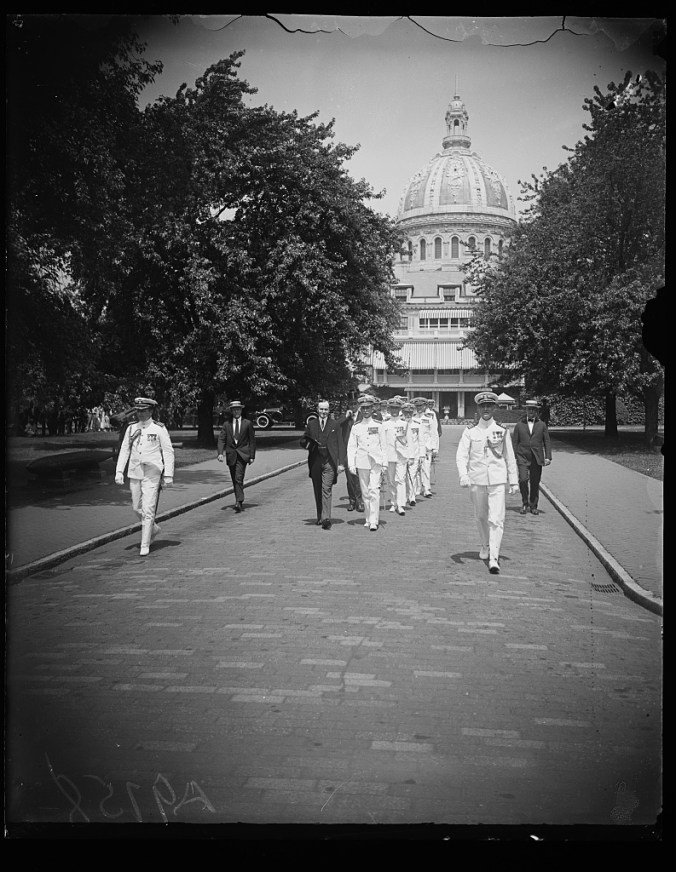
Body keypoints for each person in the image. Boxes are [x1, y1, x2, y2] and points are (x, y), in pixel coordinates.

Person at [456, 391, 518, 574]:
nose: (486, 409)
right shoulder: (470, 432)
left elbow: (510, 457)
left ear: (494, 408)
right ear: (478, 408)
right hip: (477, 480)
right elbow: (461, 455)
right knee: (481, 516)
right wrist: (463, 475)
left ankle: (494, 557)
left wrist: (513, 481)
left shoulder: (502, 430)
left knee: (496, 519)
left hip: (497, 480)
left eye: (489, 406)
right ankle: (484, 545)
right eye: (483, 406)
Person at [115, 397, 175, 557]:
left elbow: (168, 451)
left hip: (152, 472)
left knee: (148, 508)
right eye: (138, 411)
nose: (140, 414)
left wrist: (168, 474)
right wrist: (119, 471)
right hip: (135, 471)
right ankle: (153, 529)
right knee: (136, 508)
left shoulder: (159, 429)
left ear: (151, 411)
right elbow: (125, 450)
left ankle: (145, 544)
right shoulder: (131, 429)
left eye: (144, 411)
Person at [300, 399, 346, 529]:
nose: (323, 412)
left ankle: (326, 518)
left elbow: (340, 444)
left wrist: (341, 463)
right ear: (317, 410)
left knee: (326, 489)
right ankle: (319, 515)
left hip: (329, 461)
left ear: (329, 410)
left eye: (326, 409)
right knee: (317, 489)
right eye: (321, 409)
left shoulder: (335, 425)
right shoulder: (311, 424)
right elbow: (304, 439)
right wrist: (307, 444)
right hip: (315, 461)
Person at [347, 395, 388, 531]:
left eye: (368, 408)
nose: (365, 410)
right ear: (361, 409)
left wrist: (385, 463)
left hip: (376, 461)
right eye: (363, 408)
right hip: (362, 462)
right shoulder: (356, 427)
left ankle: (374, 520)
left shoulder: (378, 425)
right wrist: (351, 464)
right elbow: (352, 446)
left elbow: (384, 446)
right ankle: (367, 517)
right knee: (365, 492)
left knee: (374, 490)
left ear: (372, 409)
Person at [512, 399, 552, 516]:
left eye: (533, 409)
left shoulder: (542, 425)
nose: (531, 411)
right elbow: (514, 442)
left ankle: (533, 506)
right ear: (526, 410)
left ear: (536, 411)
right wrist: (513, 457)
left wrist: (548, 457)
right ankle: (525, 503)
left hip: (536, 457)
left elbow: (547, 441)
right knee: (523, 480)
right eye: (529, 409)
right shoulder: (519, 425)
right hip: (522, 456)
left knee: (535, 482)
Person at [217, 400, 256, 513]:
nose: (236, 412)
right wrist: (220, 453)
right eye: (234, 410)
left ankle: (239, 501)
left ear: (241, 410)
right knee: (235, 478)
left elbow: (252, 441)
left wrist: (252, 455)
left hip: (243, 454)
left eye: (238, 409)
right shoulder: (227, 424)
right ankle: (238, 499)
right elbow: (221, 439)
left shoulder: (247, 423)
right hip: (231, 454)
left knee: (239, 477)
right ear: (231, 411)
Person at [382, 397, 409, 516]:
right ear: (389, 409)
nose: (394, 410)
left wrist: (411, 456)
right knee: (391, 480)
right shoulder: (384, 424)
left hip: (401, 456)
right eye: (392, 408)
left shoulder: (404, 424)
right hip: (389, 455)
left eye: (397, 408)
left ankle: (401, 504)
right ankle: (393, 502)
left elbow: (409, 442)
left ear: (400, 410)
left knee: (401, 480)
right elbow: (382, 442)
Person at [339, 401, 364, 514]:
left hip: (361, 450)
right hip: (348, 451)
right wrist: (345, 417)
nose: (353, 406)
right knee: (349, 478)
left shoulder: (363, 415)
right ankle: (352, 501)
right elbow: (335, 425)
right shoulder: (346, 417)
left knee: (358, 478)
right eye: (351, 404)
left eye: (355, 404)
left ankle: (359, 501)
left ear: (358, 405)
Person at [401, 402, 420, 507]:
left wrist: (421, 455)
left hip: (414, 454)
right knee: (402, 477)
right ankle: (403, 498)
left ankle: (411, 497)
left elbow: (420, 441)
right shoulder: (400, 424)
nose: (408, 415)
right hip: (402, 455)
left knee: (412, 476)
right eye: (406, 412)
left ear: (413, 413)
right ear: (403, 412)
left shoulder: (417, 425)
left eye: (410, 412)